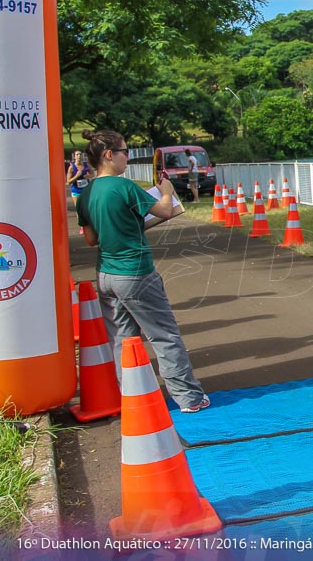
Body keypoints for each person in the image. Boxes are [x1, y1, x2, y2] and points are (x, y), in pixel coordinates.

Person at [75, 130, 210, 412]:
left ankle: (134, 398)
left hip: (106, 274)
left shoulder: (86, 194)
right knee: (164, 335)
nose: (127, 157)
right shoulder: (124, 187)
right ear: (109, 155)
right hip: (135, 271)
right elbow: (165, 211)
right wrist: (166, 191)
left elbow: (91, 239)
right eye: (124, 152)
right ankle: (189, 398)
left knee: (122, 340)